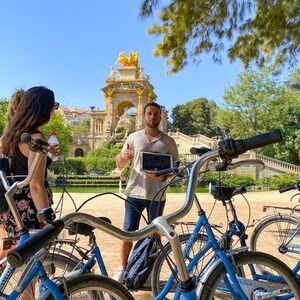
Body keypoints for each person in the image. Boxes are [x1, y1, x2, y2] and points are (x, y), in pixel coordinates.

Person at [113, 102, 179, 282]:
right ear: (144, 116)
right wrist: (122, 157)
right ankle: (122, 268)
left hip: (158, 194)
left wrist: (163, 178)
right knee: (127, 232)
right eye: (149, 113)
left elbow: (176, 170)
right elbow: (119, 164)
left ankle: (148, 270)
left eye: (156, 114)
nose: (153, 117)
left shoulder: (169, 142)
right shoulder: (133, 138)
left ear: (160, 117)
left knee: (155, 235)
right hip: (134, 192)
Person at [0, 86, 59, 244]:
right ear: (43, 109)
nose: (54, 111)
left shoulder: (9, 137)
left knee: (21, 257)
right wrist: (47, 219)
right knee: (36, 257)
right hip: (31, 207)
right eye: (54, 106)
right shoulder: (36, 137)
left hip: (11, 206)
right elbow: (36, 184)